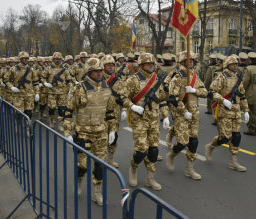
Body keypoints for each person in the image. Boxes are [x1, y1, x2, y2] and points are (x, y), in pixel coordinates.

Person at [63, 57, 121, 205]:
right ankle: (79, 183)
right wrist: (68, 133)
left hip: (101, 133)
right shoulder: (79, 88)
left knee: (99, 165)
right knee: (82, 165)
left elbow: (110, 112)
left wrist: (112, 130)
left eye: (101, 71)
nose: (99, 73)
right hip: (83, 133)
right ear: (89, 72)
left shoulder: (106, 88)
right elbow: (69, 110)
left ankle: (97, 192)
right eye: (96, 71)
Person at [122, 53, 170, 190]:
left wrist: (165, 116)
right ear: (141, 65)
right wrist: (132, 106)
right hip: (139, 119)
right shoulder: (133, 80)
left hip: (154, 119)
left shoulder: (156, 80)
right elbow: (123, 97)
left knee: (153, 150)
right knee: (141, 149)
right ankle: (133, 168)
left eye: (152, 64)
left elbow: (162, 99)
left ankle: (150, 178)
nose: (150, 66)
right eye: (148, 64)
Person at [166, 51, 207, 179]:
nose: (191, 62)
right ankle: (172, 155)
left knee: (193, 141)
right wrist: (184, 112)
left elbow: (205, 92)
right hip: (181, 112)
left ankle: (189, 169)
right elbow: (172, 98)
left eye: (192, 60)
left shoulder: (195, 75)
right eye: (188, 60)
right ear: (182, 61)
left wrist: (194, 90)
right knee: (183, 142)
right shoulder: (177, 76)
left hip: (194, 112)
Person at [205, 55, 250, 171]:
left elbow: (242, 95)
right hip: (224, 111)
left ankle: (233, 161)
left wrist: (246, 110)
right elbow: (211, 92)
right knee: (225, 137)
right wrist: (223, 100)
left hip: (236, 112)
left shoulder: (238, 78)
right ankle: (211, 146)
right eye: (233, 64)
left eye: (236, 64)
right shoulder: (221, 77)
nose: (235, 66)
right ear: (227, 65)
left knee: (236, 136)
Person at [41, 52, 72, 130]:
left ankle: (60, 124)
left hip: (62, 93)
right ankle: (51, 120)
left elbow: (69, 81)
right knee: (52, 108)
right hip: (52, 92)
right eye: (56, 59)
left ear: (61, 60)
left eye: (59, 59)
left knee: (62, 109)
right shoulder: (48, 68)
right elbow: (42, 77)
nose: (57, 60)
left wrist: (69, 91)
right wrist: (45, 83)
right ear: (53, 59)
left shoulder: (65, 69)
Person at [4, 52, 40, 120]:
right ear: (19, 59)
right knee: (18, 113)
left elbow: (35, 82)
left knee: (29, 113)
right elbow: (6, 79)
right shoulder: (13, 69)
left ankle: (27, 127)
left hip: (29, 95)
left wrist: (37, 93)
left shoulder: (31, 69)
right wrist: (11, 87)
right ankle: (18, 127)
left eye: (26, 58)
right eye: (23, 59)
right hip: (18, 95)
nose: (25, 60)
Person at [242, 52, 256, 136]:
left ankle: (252, 128)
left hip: (250, 91)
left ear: (250, 60)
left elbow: (245, 82)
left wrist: (241, 91)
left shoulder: (249, 69)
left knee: (249, 110)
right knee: (254, 111)